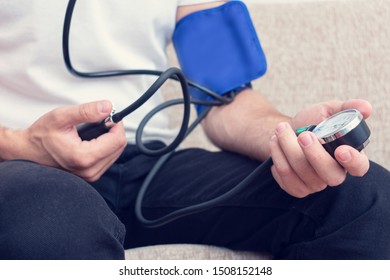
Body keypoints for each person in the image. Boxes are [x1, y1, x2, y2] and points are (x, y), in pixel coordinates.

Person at [0, 0, 389, 260]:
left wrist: (289, 136)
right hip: (17, 164)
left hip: (145, 165)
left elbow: (225, 96)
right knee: (53, 216)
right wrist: (17, 144)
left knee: (366, 198)